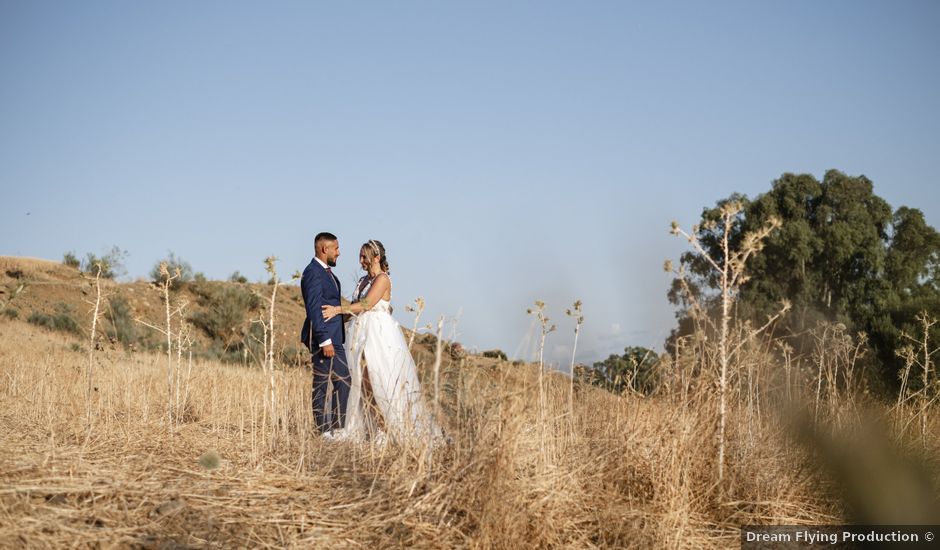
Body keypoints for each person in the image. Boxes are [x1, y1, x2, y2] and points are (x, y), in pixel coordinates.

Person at [322, 239, 441, 443]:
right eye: (360, 256)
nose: (360, 261)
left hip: (379, 336)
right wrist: (329, 326)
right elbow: (354, 309)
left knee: (378, 382)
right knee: (361, 382)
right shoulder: (362, 281)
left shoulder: (383, 279)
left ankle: (386, 430)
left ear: (376, 258)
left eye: (364, 257)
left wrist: (337, 309)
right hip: (359, 336)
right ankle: (373, 427)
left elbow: (367, 304)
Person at [300, 232, 349, 437]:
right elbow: (314, 308)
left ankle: (337, 429)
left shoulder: (328, 273)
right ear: (324, 249)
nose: (339, 252)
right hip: (325, 340)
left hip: (335, 338)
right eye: (336, 248)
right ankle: (324, 432)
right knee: (322, 384)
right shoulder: (313, 272)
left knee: (343, 380)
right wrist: (324, 340)